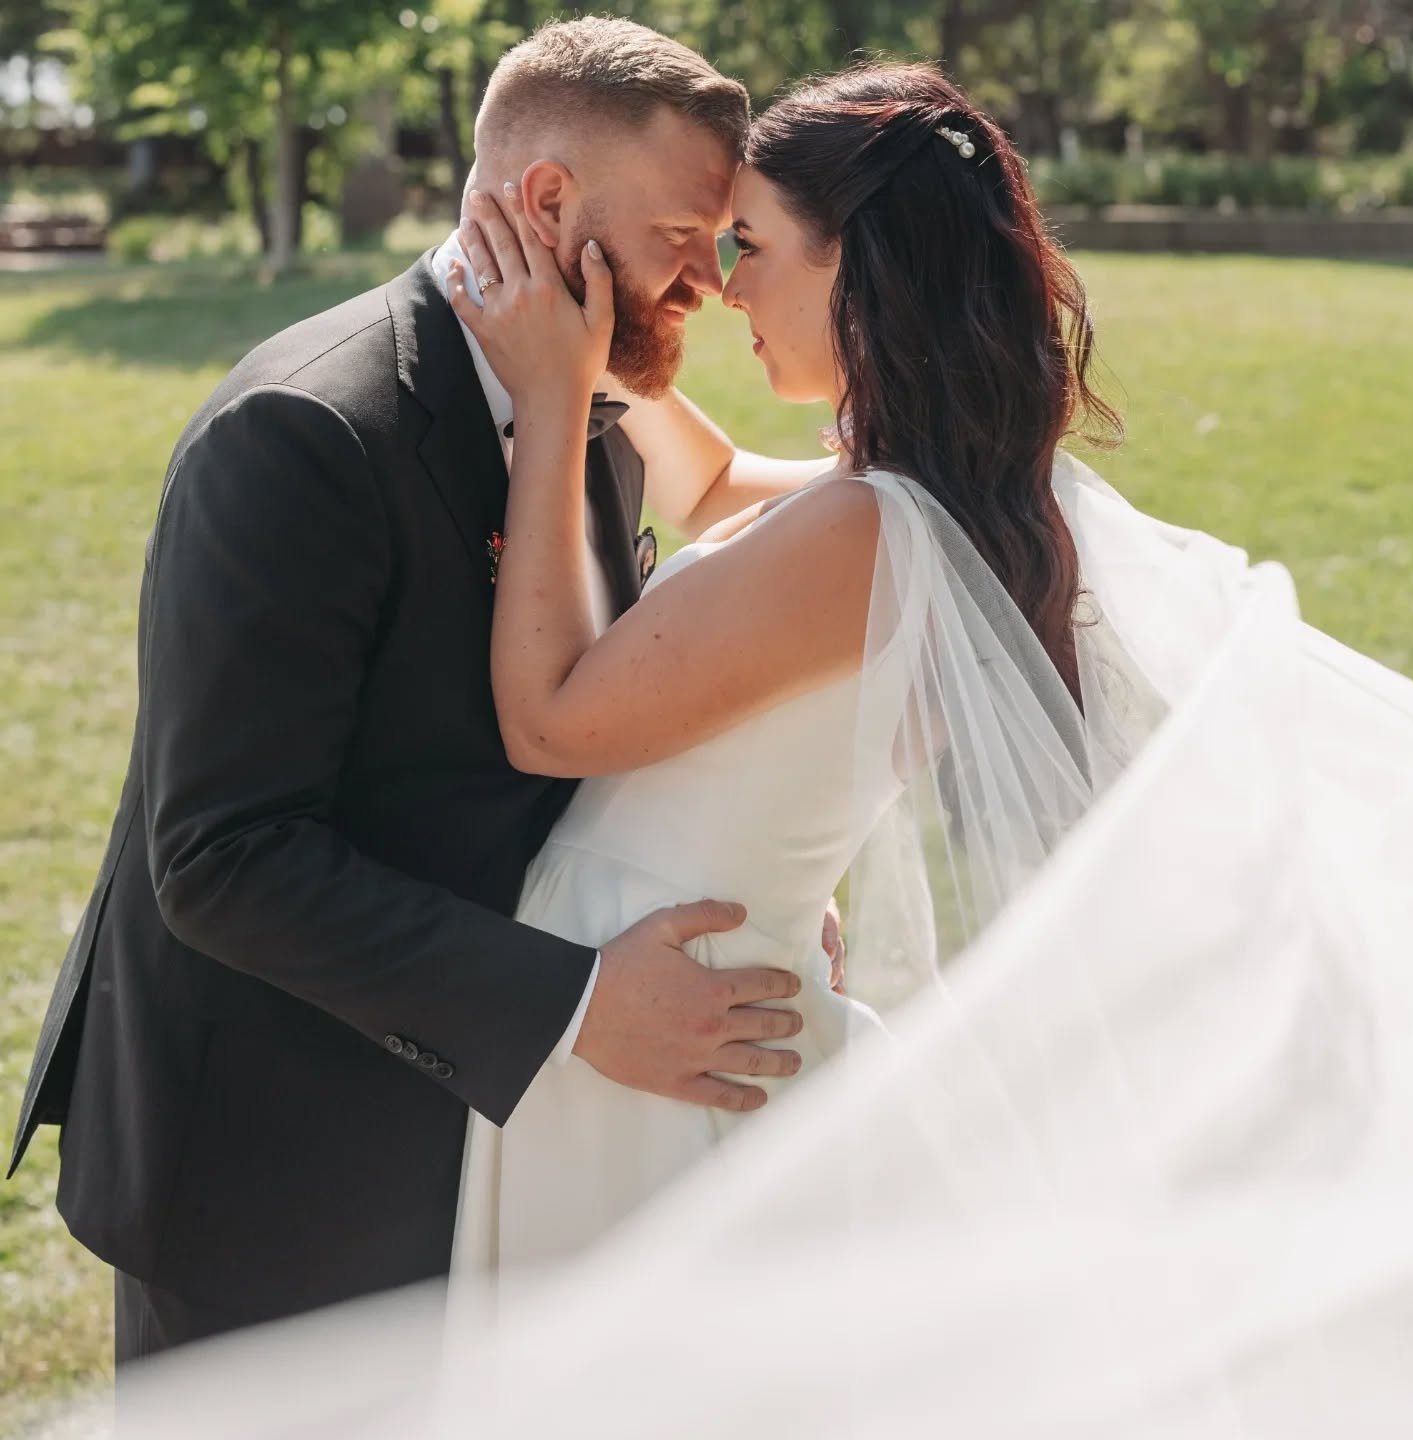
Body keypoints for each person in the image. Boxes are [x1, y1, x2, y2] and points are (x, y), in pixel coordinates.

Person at [7, 17, 848, 1362]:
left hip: (469, 1141)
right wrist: (572, 1006)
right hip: (268, 1166)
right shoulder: (303, 432)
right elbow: (224, 859)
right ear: (549, 201)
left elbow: (576, 717)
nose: (712, 278)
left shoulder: (592, 403)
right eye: (685, 236)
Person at [443, 61, 1171, 1273]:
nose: (724, 288)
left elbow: (553, 723)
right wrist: (582, 311)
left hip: (663, 1022)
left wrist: (554, 397)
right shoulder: (941, 500)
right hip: (695, 984)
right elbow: (721, 492)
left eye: (751, 246)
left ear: (858, 270)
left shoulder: (867, 529)